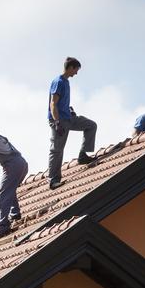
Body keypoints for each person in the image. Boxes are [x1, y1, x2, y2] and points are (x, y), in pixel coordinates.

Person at [47, 56, 97, 189]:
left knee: (91, 125)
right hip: (60, 121)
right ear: (70, 68)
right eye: (76, 70)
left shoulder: (66, 82)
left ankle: (83, 155)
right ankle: (53, 180)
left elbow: (62, 103)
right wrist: (57, 122)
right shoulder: (59, 81)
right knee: (57, 149)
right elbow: (53, 104)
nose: (76, 73)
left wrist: (69, 110)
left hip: (68, 118)